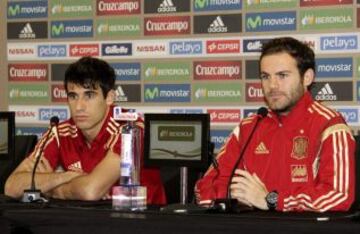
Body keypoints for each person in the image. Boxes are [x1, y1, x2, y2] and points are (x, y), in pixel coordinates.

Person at [195, 37, 355, 212]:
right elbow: (205, 188)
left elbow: (338, 196)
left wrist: (271, 200)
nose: (272, 85)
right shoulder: (249, 127)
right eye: (265, 76)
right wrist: (231, 198)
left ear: (307, 77)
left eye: (282, 75)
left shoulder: (329, 125)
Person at [5, 57, 166, 204]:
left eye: (89, 95)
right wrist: (64, 177)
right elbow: (11, 187)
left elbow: (90, 191)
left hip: (140, 222)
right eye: (73, 96)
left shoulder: (131, 129)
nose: (79, 107)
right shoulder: (60, 132)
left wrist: (46, 188)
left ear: (109, 98)